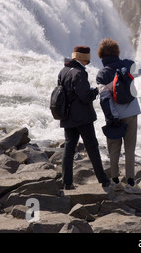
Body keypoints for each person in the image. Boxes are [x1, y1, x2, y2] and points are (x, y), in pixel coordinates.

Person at [96, 38, 141, 194]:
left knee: (114, 148)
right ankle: (130, 183)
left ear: (101, 55)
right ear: (117, 52)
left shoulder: (102, 73)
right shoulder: (127, 65)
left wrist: (110, 116)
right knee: (130, 148)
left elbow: (104, 97)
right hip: (131, 112)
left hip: (114, 115)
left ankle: (114, 181)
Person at [58, 46, 110, 190]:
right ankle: (103, 180)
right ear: (83, 58)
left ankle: (67, 182)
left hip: (67, 116)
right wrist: (96, 91)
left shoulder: (63, 71)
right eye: (87, 59)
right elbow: (85, 96)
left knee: (69, 149)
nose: (88, 62)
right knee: (92, 147)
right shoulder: (79, 73)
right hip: (82, 117)